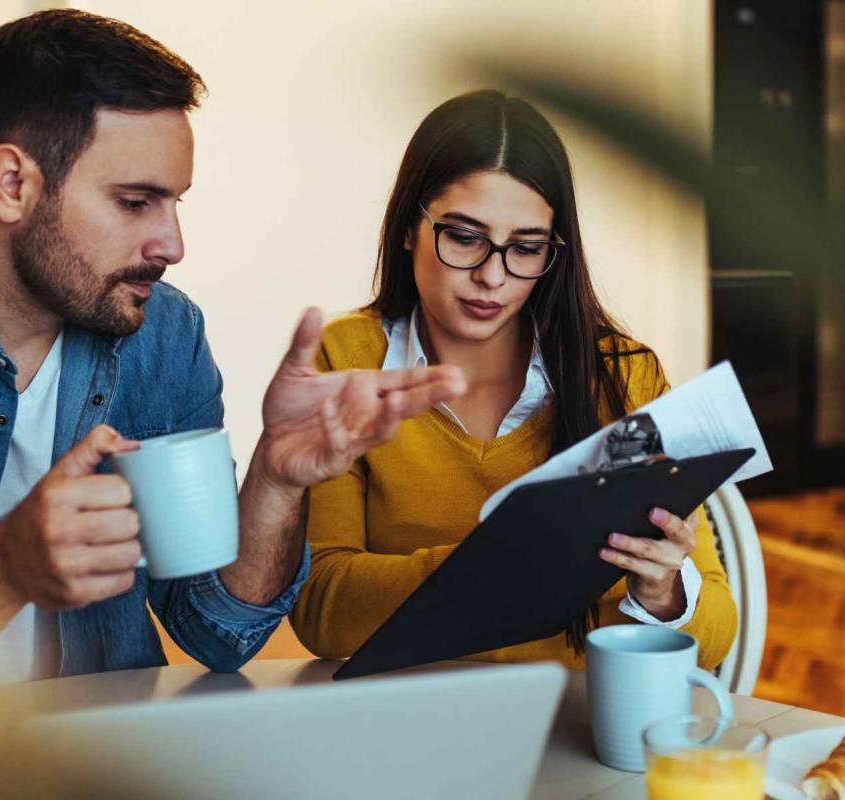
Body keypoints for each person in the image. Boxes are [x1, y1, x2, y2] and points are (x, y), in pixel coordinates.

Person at [0, 9, 463, 750]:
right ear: (11, 183)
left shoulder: (165, 336)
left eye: (174, 202)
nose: (172, 243)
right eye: (136, 202)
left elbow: (219, 630)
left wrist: (276, 477)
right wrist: (3, 569)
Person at [289, 91, 737, 669]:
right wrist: (492, 568)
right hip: (410, 718)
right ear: (408, 228)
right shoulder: (345, 357)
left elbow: (717, 637)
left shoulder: (624, 375)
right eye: (464, 237)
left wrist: (663, 593)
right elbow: (322, 611)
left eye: (526, 248)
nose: (492, 276)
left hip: (578, 721)